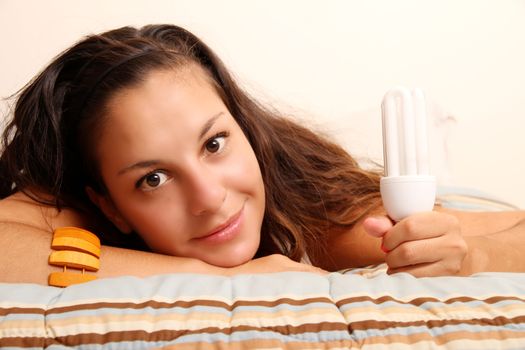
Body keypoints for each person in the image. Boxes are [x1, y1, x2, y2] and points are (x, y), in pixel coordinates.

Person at [0, 24, 524, 286]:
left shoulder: (329, 224)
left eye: (214, 144)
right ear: (109, 205)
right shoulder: (83, 215)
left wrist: (473, 257)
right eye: (154, 178)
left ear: (244, 128)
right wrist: (231, 279)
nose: (210, 198)